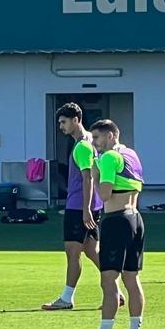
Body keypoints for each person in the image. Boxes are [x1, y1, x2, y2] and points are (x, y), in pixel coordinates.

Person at [78, 120, 146, 329]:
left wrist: (95, 175)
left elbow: (105, 195)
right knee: (131, 278)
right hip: (135, 218)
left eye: (96, 138)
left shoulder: (108, 158)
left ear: (110, 136)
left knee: (108, 280)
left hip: (116, 220)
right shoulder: (131, 155)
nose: (94, 143)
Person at [42, 103, 108, 311]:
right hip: (93, 204)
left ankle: (66, 298)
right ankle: (116, 291)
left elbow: (87, 177)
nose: (61, 126)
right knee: (91, 251)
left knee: (72, 252)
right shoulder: (92, 141)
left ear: (76, 120)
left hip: (79, 206)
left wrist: (85, 209)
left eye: (63, 122)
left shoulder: (81, 145)